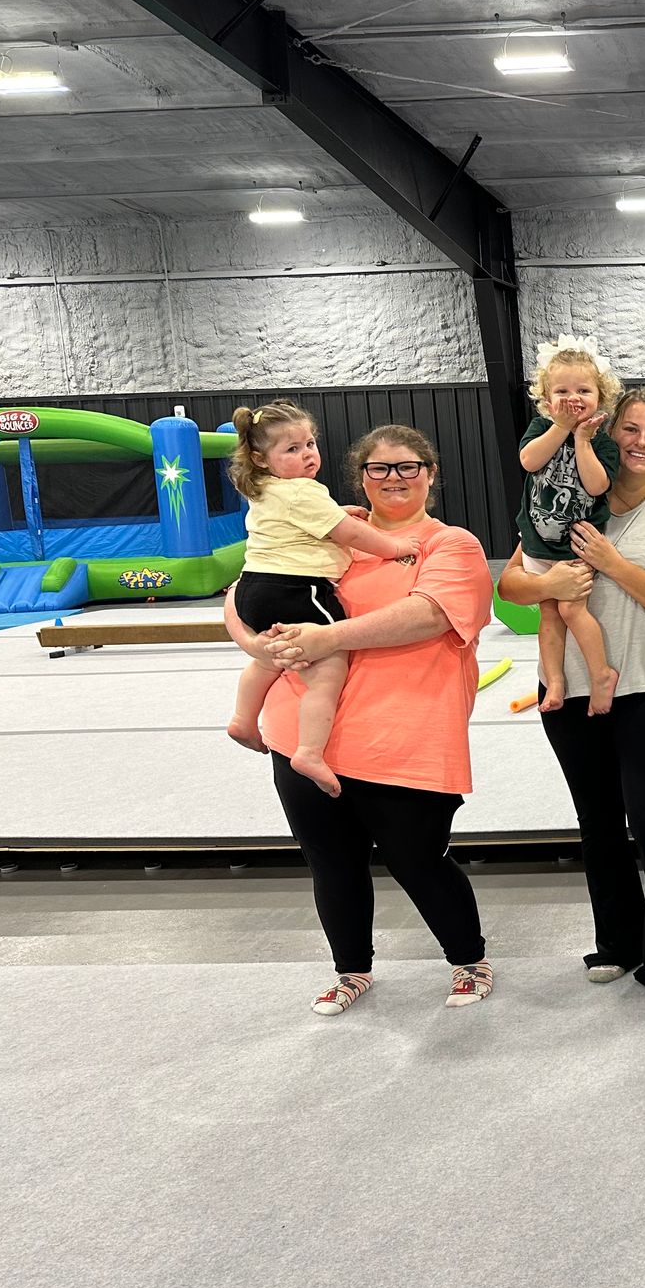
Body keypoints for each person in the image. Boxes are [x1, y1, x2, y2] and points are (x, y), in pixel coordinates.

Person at [223, 424, 497, 1015]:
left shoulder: (451, 545)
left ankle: (468, 959)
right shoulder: (331, 524)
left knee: (418, 860)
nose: (394, 478)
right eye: (380, 469)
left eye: (408, 466)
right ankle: (352, 969)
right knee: (332, 864)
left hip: (400, 733)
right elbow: (246, 586)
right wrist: (256, 646)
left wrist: (325, 637)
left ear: (431, 474)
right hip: (301, 735)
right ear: (361, 478)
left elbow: (427, 615)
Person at [498, 388, 645, 1003]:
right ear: (605, 431)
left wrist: (614, 564)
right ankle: (619, 941)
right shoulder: (565, 495)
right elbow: (512, 585)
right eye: (629, 430)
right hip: (567, 688)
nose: (639, 443)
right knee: (597, 822)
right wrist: (559, 577)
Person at [224, 399, 421, 796]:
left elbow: (308, 520)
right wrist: (393, 547)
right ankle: (310, 751)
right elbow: (350, 535)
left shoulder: (268, 490)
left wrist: (337, 512)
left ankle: (244, 718)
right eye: (292, 450)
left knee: (272, 656)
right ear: (262, 459)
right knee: (329, 668)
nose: (307, 455)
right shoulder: (302, 492)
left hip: (253, 587)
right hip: (298, 588)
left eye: (310, 444)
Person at [517, 336, 622, 714]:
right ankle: (555, 680)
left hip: (576, 546)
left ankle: (600, 674)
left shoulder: (604, 443)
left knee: (572, 610)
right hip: (538, 544)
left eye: (583, 390)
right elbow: (530, 462)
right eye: (561, 390)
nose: (572, 397)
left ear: (600, 398)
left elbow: (596, 485)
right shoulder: (540, 429)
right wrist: (560, 427)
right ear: (546, 399)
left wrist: (582, 439)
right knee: (548, 613)